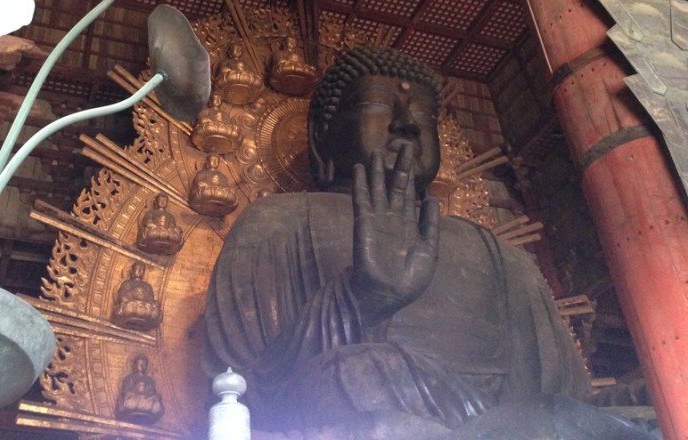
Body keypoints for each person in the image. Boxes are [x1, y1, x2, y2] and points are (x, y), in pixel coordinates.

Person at [204, 46, 652, 439]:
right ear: (322, 137)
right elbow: (241, 389)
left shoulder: (504, 258)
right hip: (355, 412)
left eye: (422, 116)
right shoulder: (275, 223)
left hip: (510, 428)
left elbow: (562, 399)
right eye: (380, 106)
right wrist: (360, 300)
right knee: (353, 373)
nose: (407, 126)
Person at [115, 353, 164, 425]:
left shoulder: (150, 380)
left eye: (144, 364)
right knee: (126, 401)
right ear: (134, 365)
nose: (142, 366)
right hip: (134, 401)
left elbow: (152, 393)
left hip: (146, 401)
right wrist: (135, 394)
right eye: (140, 363)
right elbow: (125, 392)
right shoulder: (129, 378)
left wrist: (153, 396)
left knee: (157, 401)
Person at [112, 261, 162, 331]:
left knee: (156, 304)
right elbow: (121, 297)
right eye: (137, 268)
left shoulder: (147, 286)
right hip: (130, 307)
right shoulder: (126, 283)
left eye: (142, 269)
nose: (139, 271)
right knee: (125, 303)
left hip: (144, 308)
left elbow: (151, 300)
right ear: (132, 271)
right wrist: (133, 293)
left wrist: (145, 298)